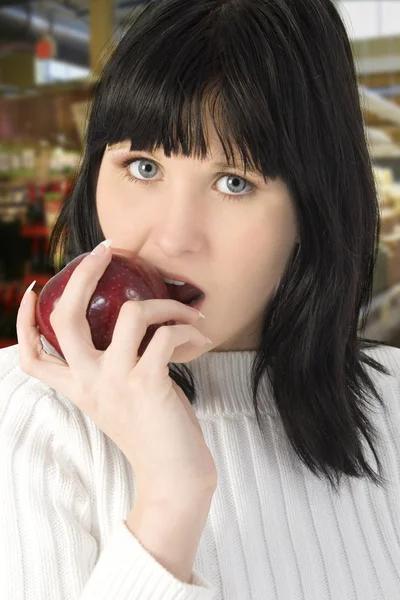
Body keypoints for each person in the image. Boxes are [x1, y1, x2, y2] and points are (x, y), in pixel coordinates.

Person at [1, 0, 400, 598]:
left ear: (312, 211)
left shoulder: (390, 406)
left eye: (234, 182)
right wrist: (169, 499)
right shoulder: (32, 417)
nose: (173, 237)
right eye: (141, 166)